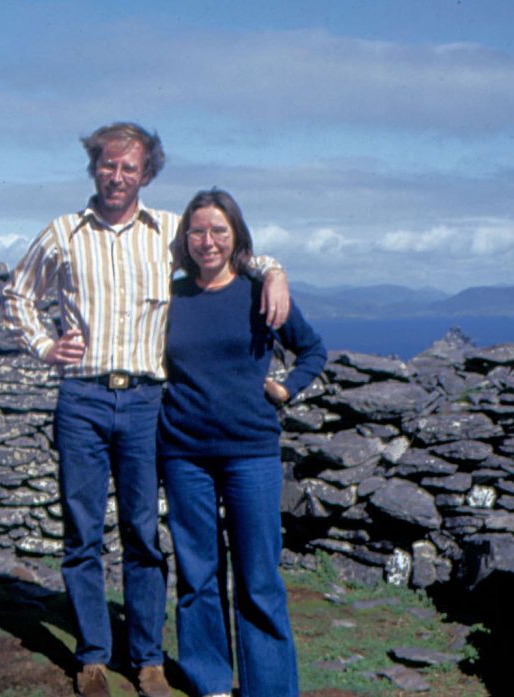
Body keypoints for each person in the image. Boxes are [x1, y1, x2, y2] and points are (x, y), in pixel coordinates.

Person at [3, 124, 291, 697]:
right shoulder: (63, 232)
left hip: (144, 402)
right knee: (82, 532)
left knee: (141, 532)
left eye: (129, 168)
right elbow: (17, 293)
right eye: (108, 165)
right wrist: (43, 346)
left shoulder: (167, 232)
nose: (117, 176)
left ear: (147, 173)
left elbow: (227, 248)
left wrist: (274, 270)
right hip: (81, 399)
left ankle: (147, 659)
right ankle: (91, 655)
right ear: (94, 168)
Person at [158, 189, 326, 697]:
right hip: (184, 452)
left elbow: (313, 350)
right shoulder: (171, 297)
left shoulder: (261, 292)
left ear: (236, 237)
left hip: (251, 452)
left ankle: (269, 689)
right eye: (198, 231)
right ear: (185, 239)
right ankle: (210, 684)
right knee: (197, 575)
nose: (207, 241)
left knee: (258, 578)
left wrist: (287, 388)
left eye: (218, 231)